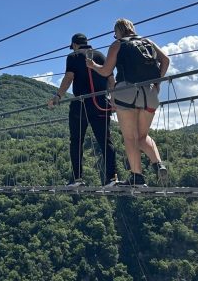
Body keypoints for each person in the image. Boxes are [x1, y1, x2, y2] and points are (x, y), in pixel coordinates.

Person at [87, 18, 170, 186]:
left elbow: (106, 71)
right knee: (142, 137)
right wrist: (157, 83)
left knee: (130, 138)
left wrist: (93, 65)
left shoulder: (117, 44)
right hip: (149, 94)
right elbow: (166, 60)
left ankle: (137, 177)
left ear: (118, 31)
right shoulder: (148, 42)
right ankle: (158, 163)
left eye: (115, 33)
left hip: (126, 92)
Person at [47, 33, 117, 187]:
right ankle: (112, 178)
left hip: (81, 104)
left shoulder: (73, 57)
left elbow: (68, 78)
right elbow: (111, 80)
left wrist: (58, 96)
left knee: (76, 141)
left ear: (75, 45)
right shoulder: (100, 56)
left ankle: (77, 178)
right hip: (101, 103)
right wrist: (113, 100)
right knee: (106, 141)